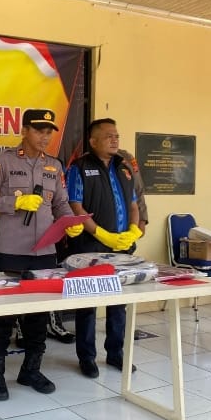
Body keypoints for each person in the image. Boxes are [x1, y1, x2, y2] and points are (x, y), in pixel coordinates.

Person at [0, 108, 84, 401]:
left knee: (38, 317)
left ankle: (31, 370)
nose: (45, 137)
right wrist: (16, 202)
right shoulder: (4, 160)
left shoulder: (54, 166)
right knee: (2, 318)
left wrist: (70, 222)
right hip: (10, 252)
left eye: (49, 132)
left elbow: (60, 203)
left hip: (45, 252)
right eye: (39, 131)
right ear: (24, 131)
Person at [65, 118, 142, 378]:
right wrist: (101, 234)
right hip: (89, 247)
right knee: (88, 304)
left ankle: (116, 353)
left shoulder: (125, 167)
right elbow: (75, 205)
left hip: (121, 248)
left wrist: (133, 230)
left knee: (118, 303)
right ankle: (87, 357)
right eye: (109, 135)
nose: (115, 139)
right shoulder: (80, 167)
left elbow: (134, 204)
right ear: (93, 141)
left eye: (117, 135)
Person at [118, 149, 149, 235]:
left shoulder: (127, 157)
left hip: (128, 222)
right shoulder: (88, 160)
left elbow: (138, 188)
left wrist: (142, 219)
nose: (114, 142)